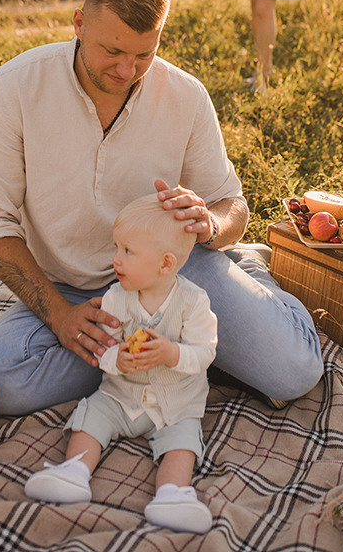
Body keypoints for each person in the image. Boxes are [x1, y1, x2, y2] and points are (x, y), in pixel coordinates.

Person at [0, 0, 322, 416]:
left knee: (294, 373)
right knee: (4, 381)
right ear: (78, 23)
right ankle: (177, 346)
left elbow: (231, 204)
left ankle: (242, 279)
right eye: (112, 51)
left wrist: (210, 224)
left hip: (173, 271)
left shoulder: (186, 95)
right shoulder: (15, 88)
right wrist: (59, 314)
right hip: (73, 290)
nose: (126, 69)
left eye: (143, 54)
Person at [24, 193, 217, 534]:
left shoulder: (194, 302)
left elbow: (204, 353)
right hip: (120, 396)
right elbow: (103, 348)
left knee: (182, 441)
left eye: (127, 251)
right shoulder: (116, 297)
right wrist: (118, 360)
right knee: (92, 417)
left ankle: (173, 494)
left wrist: (172, 354)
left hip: (174, 404)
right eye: (117, 248)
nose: (116, 259)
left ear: (166, 264)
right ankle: (74, 472)